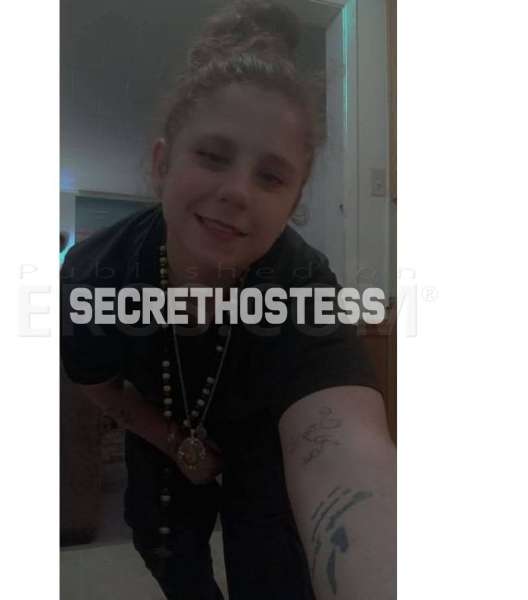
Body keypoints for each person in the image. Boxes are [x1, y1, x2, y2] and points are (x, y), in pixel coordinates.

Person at [61, 2, 395, 599]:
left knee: (273, 565)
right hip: (157, 424)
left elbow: (344, 443)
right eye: (213, 157)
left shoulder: (302, 281)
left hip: (263, 438)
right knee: (164, 542)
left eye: (271, 177)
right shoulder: (96, 273)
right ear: (162, 164)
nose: (238, 191)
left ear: (293, 203)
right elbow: (94, 379)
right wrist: (172, 441)